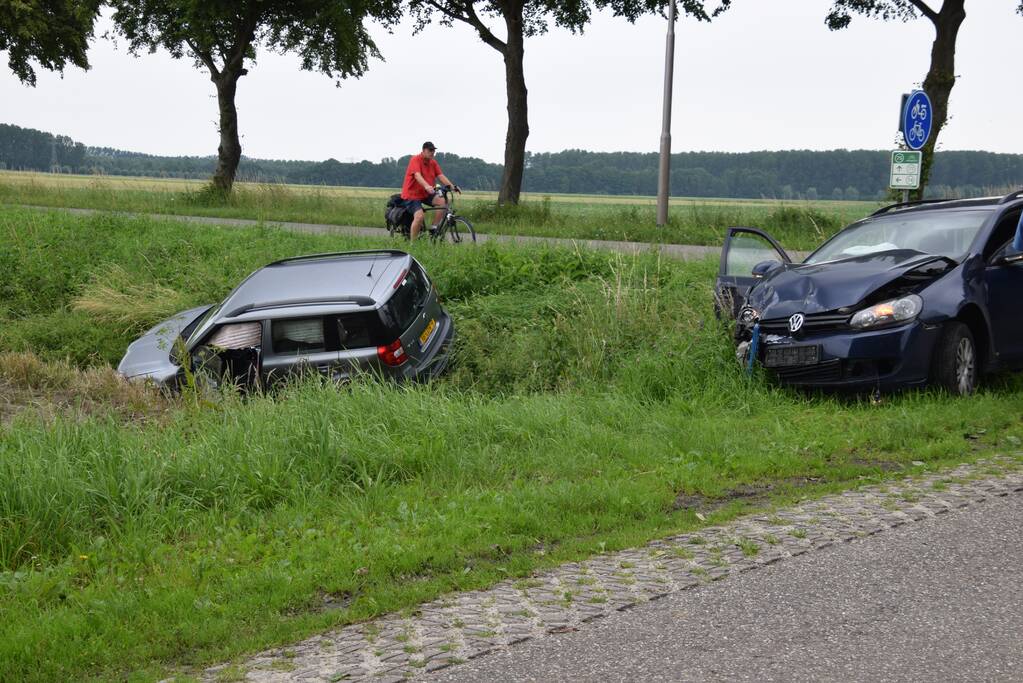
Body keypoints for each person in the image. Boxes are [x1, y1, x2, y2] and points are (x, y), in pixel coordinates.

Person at [400, 141, 460, 240]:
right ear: (423, 150)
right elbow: (417, 175)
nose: (432, 152)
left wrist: (452, 187)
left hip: (426, 194)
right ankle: (413, 244)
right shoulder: (415, 159)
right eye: (430, 150)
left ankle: (433, 228)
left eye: (433, 151)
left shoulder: (433, 162)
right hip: (412, 195)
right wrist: (427, 186)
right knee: (419, 217)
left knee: (443, 202)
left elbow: (440, 175)